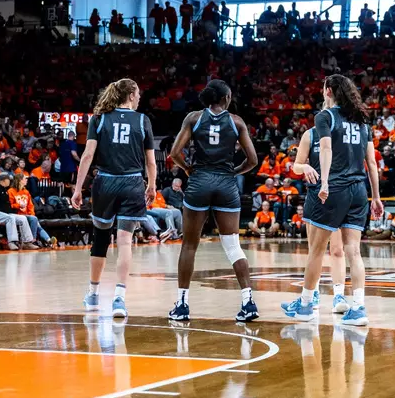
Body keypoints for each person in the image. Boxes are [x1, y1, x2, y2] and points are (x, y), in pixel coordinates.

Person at [282, 75, 382, 326]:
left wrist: (324, 182)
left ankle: (306, 304)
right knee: (354, 252)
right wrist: (377, 197)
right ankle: (358, 308)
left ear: (328, 91)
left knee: (316, 250)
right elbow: (371, 163)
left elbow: (326, 149)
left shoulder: (325, 117)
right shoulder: (362, 121)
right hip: (359, 190)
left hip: (334, 189)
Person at [167, 79, 259, 323]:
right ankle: (248, 302)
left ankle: (182, 305)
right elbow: (252, 160)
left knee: (189, 245)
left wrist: (188, 169)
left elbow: (174, 153)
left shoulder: (194, 118)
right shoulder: (237, 122)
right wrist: (233, 172)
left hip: (199, 182)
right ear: (226, 97)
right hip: (226, 185)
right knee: (232, 246)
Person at [72, 78, 157, 318]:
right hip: (132, 183)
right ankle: (119, 299)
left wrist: (78, 188)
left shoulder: (98, 119)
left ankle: (93, 294)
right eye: (138, 93)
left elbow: (88, 155)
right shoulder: (142, 120)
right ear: (130, 95)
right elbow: (151, 160)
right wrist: (151, 185)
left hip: (105, 182)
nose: (140, 97)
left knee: (100, 239)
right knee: (125, 241)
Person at [291, 120, 351, 315]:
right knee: (314, 250)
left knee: (337, 250)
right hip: (315, 196)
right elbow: (296, 166)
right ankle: (313, 292)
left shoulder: (343, 133)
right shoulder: (310, 134)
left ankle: (339, 295)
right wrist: (304, 168)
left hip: (338, 194)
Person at [0, 173, 37, 250]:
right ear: (3, 180)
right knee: (10, 218)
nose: (10, 181)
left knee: (22, 218)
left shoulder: (4, 189)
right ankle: (12, 242)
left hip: (6, 213)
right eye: (8, 179)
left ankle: (27, 242)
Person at [7, 173, 53, 247]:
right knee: (35, 222)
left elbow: (30, 206)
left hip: (26, 215)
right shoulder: (11, 191)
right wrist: (19, 205)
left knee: (34, 220)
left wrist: (31, 214)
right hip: (16, 215)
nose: (27, 180)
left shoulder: (26, 192)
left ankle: (45, 240)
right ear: (20, 180)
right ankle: (44, 240)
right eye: (25, 179)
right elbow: (10, 206)